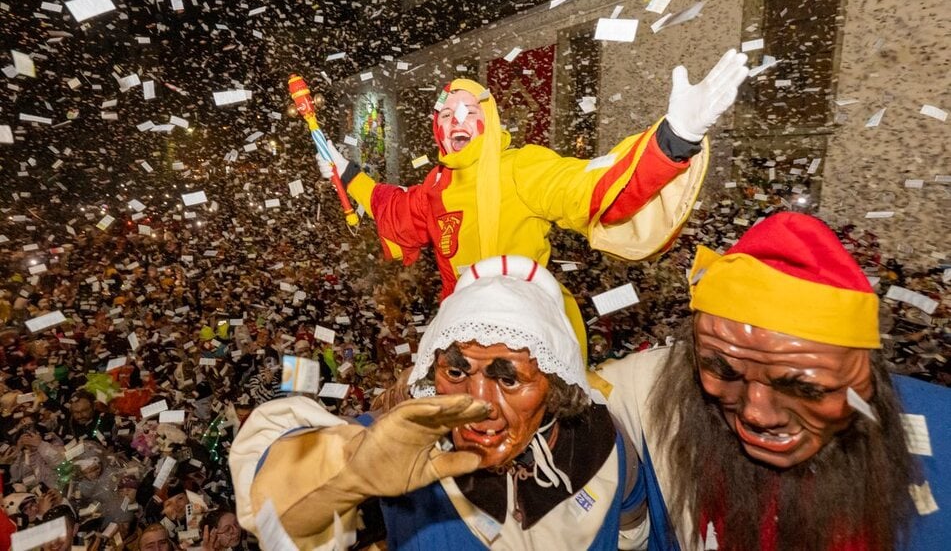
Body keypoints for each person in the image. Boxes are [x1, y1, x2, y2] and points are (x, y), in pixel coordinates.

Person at [321, 50, 749, 358]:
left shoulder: (522, 167)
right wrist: (346, 171)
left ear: (488, 121)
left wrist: (675, 138)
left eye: (469, 111)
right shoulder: (434, 185)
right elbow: (391, 206)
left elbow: (595, 189)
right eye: (447, 114)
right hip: (458, 323)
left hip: (526, 321)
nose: (457, 121)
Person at [230, 255, 640, 549]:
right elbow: (276, 516)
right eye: (457, 373)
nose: (480, 404)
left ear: (556, 384)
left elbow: (637, 533)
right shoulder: (398, 448)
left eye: (509, 379)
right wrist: (346, 473)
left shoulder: (605, 449)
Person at [597, 212, 950, 550]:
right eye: (725, 372)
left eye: (803, 388)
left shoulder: (940, 436)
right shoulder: (644, 411)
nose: (756, 414)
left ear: (864, 378)